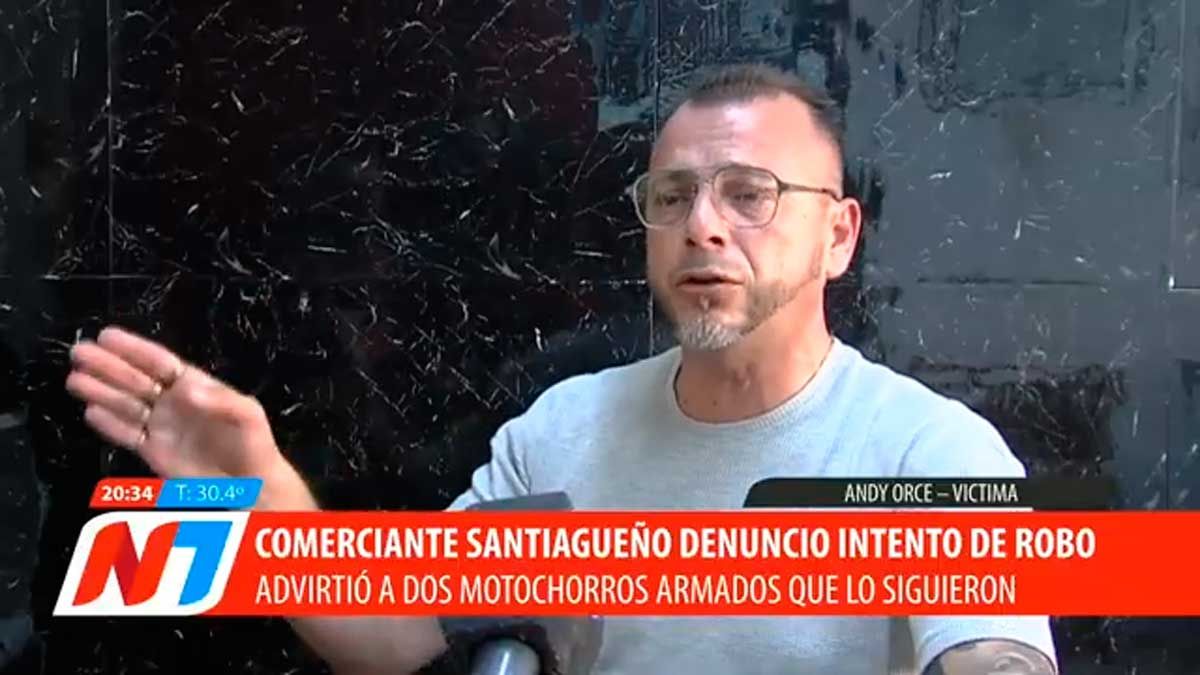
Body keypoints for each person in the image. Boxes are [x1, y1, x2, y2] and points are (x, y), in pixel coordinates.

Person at [64, 63, 1058, 674]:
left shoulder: (925, 452)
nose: (703, 225)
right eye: (671, 197)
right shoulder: (564, 431)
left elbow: (992, 651)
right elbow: (400, 635)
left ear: (838, 235)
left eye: (749, 193)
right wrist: (263, 497)